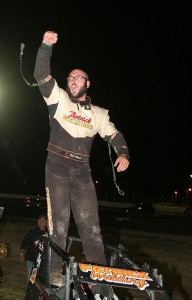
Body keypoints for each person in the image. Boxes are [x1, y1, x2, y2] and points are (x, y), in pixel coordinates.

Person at [34, 31, 130, 297]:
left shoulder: (99, 114)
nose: (72, 81)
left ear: (88, 83)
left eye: (78, 78)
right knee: (59, 225)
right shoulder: (60, 99)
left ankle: (101, 285)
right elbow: (41, 76)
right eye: (70, 78)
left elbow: (114, 134)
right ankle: (53, 277)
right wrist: (46, 47)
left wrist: (123, 152)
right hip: (57, 166)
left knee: (92, 228)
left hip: (81, 171)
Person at [20, 214, 48, 281]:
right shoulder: (32, 232)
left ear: (47, 222)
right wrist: (21, 255)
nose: (42, 222)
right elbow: (23, 243)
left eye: (44, 220)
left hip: (43, 263)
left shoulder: (49, 234)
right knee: (31, 280)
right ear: (38, 221)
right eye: (40, 220)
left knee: (40, 281)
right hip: (31, 261)